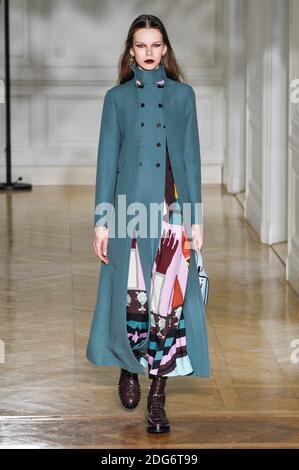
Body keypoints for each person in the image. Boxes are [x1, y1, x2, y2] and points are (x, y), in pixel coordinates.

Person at [86, 14, 210, 434]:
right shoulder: (115, 99)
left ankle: (158, 393)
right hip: (127, 215)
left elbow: (191, 161)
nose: (150, 52)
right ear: (131, 50)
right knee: (132, 301)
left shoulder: (184, 96)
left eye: (156, 44)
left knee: (167, 306)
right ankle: (128, 365)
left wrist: (195, 217)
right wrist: (102, 222)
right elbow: (106, 163)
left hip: (172, 214)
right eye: (142, 45)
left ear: (166, 49)